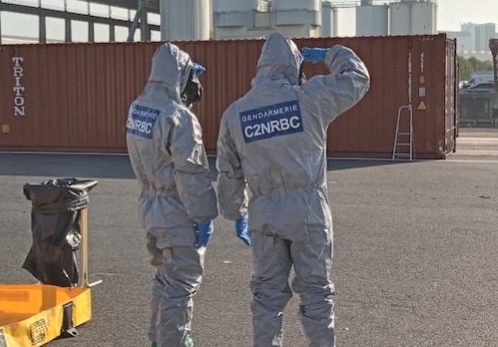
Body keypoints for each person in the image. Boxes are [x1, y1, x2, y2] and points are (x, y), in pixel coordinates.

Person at [216, 32, 370, 347]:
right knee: (316, 293)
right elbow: (357, 78)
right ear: (295, 67)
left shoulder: (235, 113)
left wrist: (236, 213)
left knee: (267, 298)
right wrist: (331, 54)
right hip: (308, 212)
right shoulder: (310, 98)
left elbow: (228, 172)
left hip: (264, 215)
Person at [126, 42, 247, 347]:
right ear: (180, 77)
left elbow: (157, 151)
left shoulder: (139, 107)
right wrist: (203, 217)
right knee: (181, 284)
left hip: (150, 206)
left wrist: (184, 81)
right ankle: (174, 341)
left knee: (165, 280)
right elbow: (191, 173)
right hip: (176, 212)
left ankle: (158, 339)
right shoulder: (180, 118)